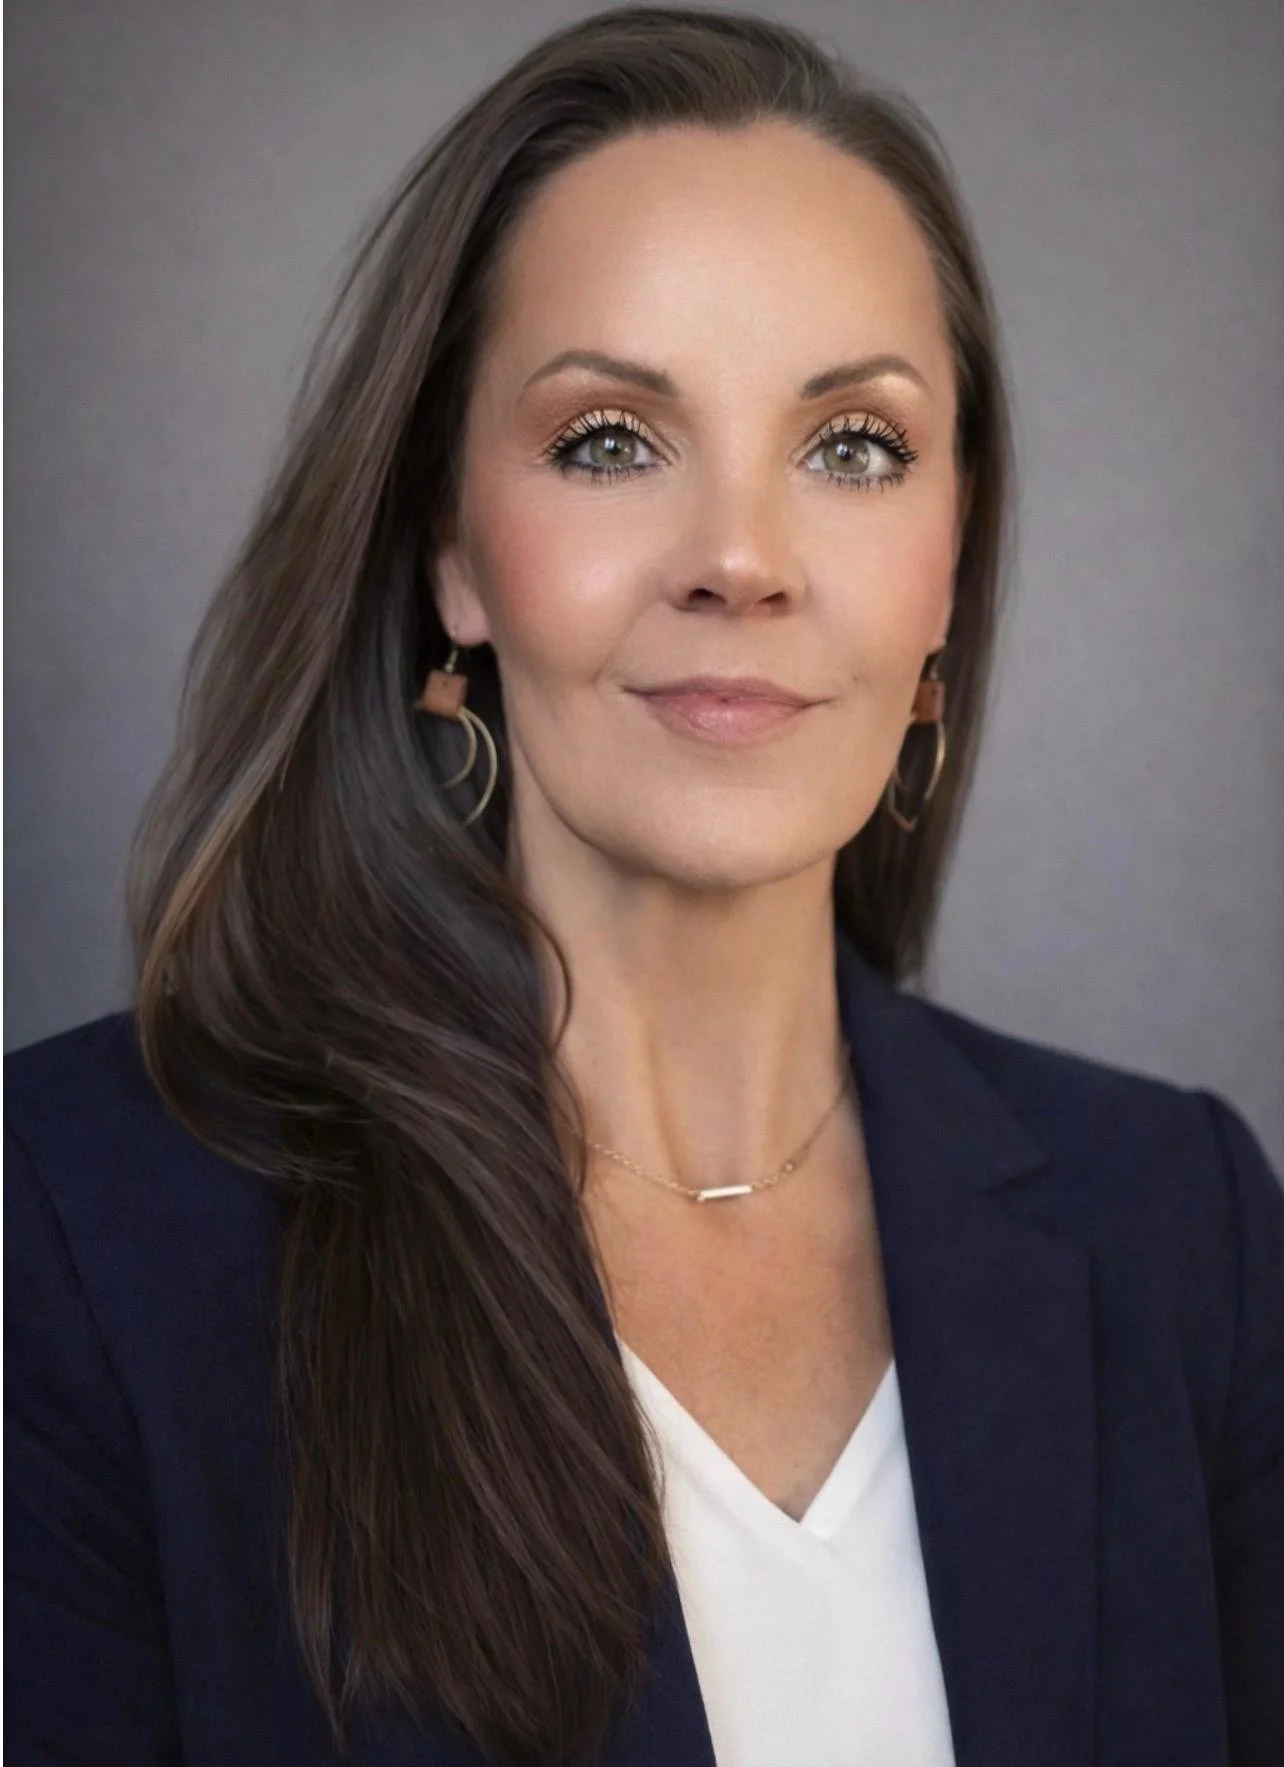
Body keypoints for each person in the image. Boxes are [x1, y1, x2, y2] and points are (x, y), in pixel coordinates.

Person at [6, 8, 1282, 1765]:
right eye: (610, 438)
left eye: (854, 446)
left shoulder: (1183, 1229)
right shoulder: (74, 1232)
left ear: (949, 566)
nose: (740, 560)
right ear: (452, 550)